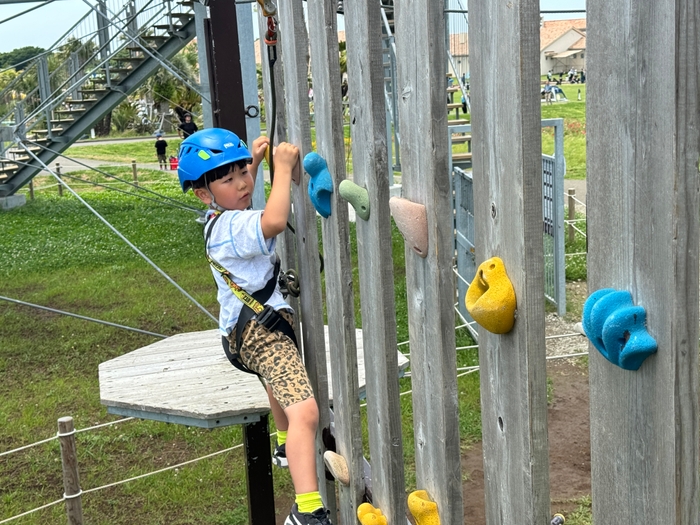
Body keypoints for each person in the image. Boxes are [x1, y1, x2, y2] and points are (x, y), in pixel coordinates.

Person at [177, 128, 332, 525]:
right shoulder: (232, 228)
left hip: (243, 333)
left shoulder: (218, 217)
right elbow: (275, 220)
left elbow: (238, 196)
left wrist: (256, 162)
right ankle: (307, 510)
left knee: (277, 382)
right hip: (261, 334)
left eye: (242, 172)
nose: (243, 183)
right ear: (203, 193)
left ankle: (283, 445)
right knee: (307, 412)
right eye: (228, 180)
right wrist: (281, 168)